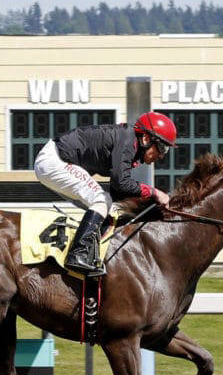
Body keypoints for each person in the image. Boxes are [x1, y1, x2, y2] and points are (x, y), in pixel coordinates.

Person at [34, 111, 176, 275]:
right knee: (101, 199)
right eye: (161, 147)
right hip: (55, 161)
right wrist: (154, 192)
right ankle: (78, 254)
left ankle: (90, 251)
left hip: (55, 160)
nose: (162, 155)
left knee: (108, 205)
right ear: (146, 138)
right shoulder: (127, 142)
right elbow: (121, 184)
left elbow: (118, 191)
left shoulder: (131, 143)